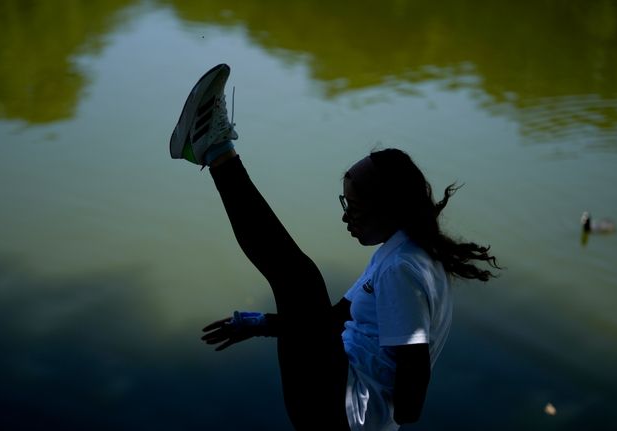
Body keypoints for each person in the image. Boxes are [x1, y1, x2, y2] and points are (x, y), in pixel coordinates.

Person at [169, 64, 500, 431]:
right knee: (301, 281)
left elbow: (412, 392)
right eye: (345, 206)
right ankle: (214, 147)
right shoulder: (402, 253)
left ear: (388, 208)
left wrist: (371, 404)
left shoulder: (402, 271)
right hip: (336, 393)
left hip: (339, 410)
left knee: (301, 279)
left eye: (354, 209)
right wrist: (261, 324)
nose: (346, 219)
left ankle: (213, 145)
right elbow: (330, 321)